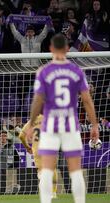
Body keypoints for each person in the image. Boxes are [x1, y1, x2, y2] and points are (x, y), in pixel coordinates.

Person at [26, 34, 99, 203]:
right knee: (75, 171)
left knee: (46, 170)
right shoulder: (76, 71)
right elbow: (87, 100)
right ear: (67, 49)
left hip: (50, 126)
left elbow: (38, 100)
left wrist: (30, 123)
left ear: (51, 49)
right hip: (70, 126)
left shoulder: (43, 71)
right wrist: (94, 125)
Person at [19, 115, 58, 198]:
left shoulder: (32, 121)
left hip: (37, 149)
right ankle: (53, 193)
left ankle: (44, 194)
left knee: (41, 172)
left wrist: (27, 147)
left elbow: (21, 136)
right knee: (52, 170)